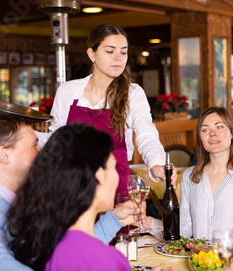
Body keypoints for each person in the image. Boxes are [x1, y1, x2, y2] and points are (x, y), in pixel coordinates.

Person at [7, 123, 174, 271]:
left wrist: (115, 219)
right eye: (113, 166)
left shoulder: (40, 241)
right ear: (99, 175)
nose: (117, 176)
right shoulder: (109, 262)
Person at [35, 24, 176, 203]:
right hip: (74, 185)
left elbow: (146, 134)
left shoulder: (133, 93)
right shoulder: (68, 91)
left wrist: (156, 164)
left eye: (123, 52)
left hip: (116, 186)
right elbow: (56, 138)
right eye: (110, 51)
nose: (118, 58)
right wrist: (22, 134)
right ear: (91, 54)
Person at [142, 107, 233, 250]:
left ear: (231, 133)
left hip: (230, 264)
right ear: (200, 139)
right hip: (196, 262)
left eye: (219, 127)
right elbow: (184, 232)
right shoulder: (189, 177)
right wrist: (148, 223)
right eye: (205, 130)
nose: (212, 133)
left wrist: (214, 253)